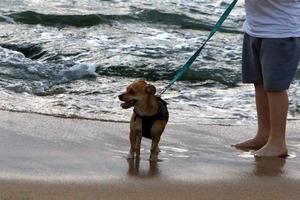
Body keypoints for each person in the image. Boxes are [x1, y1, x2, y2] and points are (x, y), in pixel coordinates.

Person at [234, 0, 300, 157]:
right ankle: (264, 135)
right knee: (259, 83)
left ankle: (278, 142)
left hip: (281, 32)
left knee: (275, 87)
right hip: (254, 28)